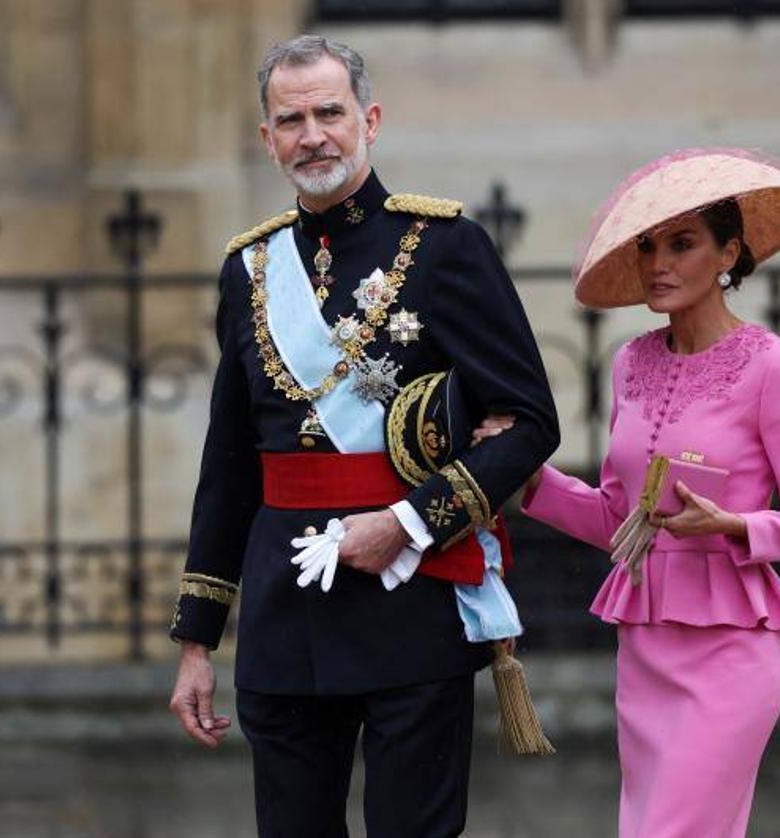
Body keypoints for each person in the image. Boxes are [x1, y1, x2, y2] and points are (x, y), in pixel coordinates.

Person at [166, 34, 559, 837]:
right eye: (291, 119)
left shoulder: (448, 248)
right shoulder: (249, 270)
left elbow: (531, 424)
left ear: (369, 119)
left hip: (407, 599)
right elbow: (230, 465)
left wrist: (409, 524)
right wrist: (197, 640)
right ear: (266, 139)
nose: (313, 134)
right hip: (285, 610)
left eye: (329, 113)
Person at [516, 148, 780, 837]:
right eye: (648, 247)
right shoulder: (632, 362)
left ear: (729, 253)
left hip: (731, 656)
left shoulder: (777, 369)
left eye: (683, 244)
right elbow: (617, 517)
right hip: (645, 653)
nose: (659, 263)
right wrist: (526, 483)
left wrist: (733, 525)